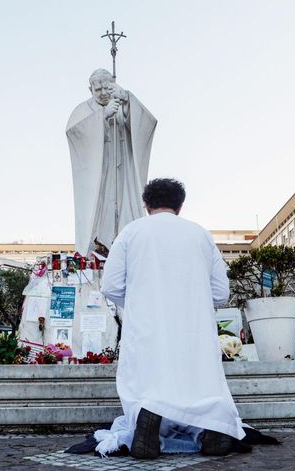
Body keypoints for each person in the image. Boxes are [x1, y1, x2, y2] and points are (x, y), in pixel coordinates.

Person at [98, 178, 244, 459]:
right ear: (180, 205)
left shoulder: (132, 232)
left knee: (150, 377)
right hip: (193, 326)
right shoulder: (200, 234)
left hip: (147, 325)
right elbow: (221, 291)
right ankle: (209, 426)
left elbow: (110, 285)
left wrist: (138, 304)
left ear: (146, 203)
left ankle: (148, 414)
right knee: (196, 379)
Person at [65, 69, 157, 256]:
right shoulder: (83, 110)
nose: (103, 93)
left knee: (126, 205)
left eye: (107, 87)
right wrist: (103, 116)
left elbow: (147, 123)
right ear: (89, 89)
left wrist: (128, 102)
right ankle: (97, 246)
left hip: (124, 170)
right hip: (99, 172)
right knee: (99, 210)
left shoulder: (122, 102)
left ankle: (128, 244)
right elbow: (74, 134)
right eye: (98, 89)